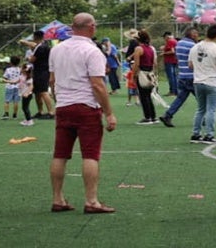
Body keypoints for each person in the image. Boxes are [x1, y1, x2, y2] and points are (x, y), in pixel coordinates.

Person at [48, 12, 116, 214]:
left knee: (60, 154)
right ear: (92, 27)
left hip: (63, 106)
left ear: (72, 27)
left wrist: (59, 99)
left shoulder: (57, 50)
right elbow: (98, 85)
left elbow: (52, 80)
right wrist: (109, 113)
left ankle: (58, 198)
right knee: (90, 155)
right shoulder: (92, 51)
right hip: (86, 107)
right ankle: (91, 201)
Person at [191, 24, 216, 143]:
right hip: (214, 82)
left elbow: (190, 65)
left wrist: (200, 70)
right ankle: (209, 135)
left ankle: (196, 134)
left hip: (198, 81)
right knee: (211, 110)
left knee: (200, 109)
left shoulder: (195, 47)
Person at [160, 28, 198, 128]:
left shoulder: (179, 43)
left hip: (182, 75)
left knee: (180, 98)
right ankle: (202, 118)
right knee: (202, 100)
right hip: (192, 76)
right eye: (196, 34)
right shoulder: (193, 46)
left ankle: (168, 115)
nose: (197, 36)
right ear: (192, 35)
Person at [129, 30, 158, 124]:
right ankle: (153, 116)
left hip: (141, 73)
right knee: (148, 95)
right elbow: (154, 63)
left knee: (142, 95)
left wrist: (133, 75)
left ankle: (147, 117)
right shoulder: (150, 48)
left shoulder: (138, 49)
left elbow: (136, 64)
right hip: (149, 73)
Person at [28, 31, 54, 119]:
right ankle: (40, 111)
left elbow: (32, 59)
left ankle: (51, 112)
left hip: (42, 71)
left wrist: (29, 58)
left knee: (43, 91)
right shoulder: (40, 46)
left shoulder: (41, 47)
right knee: (37, 92)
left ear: (35, 37)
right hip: (38, 71)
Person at [2, 56, 23, 120]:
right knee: (16, 101)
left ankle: (6, 114)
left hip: (9, 87)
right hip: (18, 87)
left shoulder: (8, 70)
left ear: (10, 62)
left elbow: (5, 78)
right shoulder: (20, 69)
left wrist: (4, 80)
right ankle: (15, 115)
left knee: (7, 101)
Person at [162, 31, 179, 96]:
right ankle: (176, 91)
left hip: (169, 61)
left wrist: (164, 53)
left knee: (171, 77)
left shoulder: (170, 41)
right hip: (175, 60)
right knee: (175, 76)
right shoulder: (175, 41)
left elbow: (172, 51)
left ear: (167, 36)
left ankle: (172, 91)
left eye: (164, 37)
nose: (164, 39)